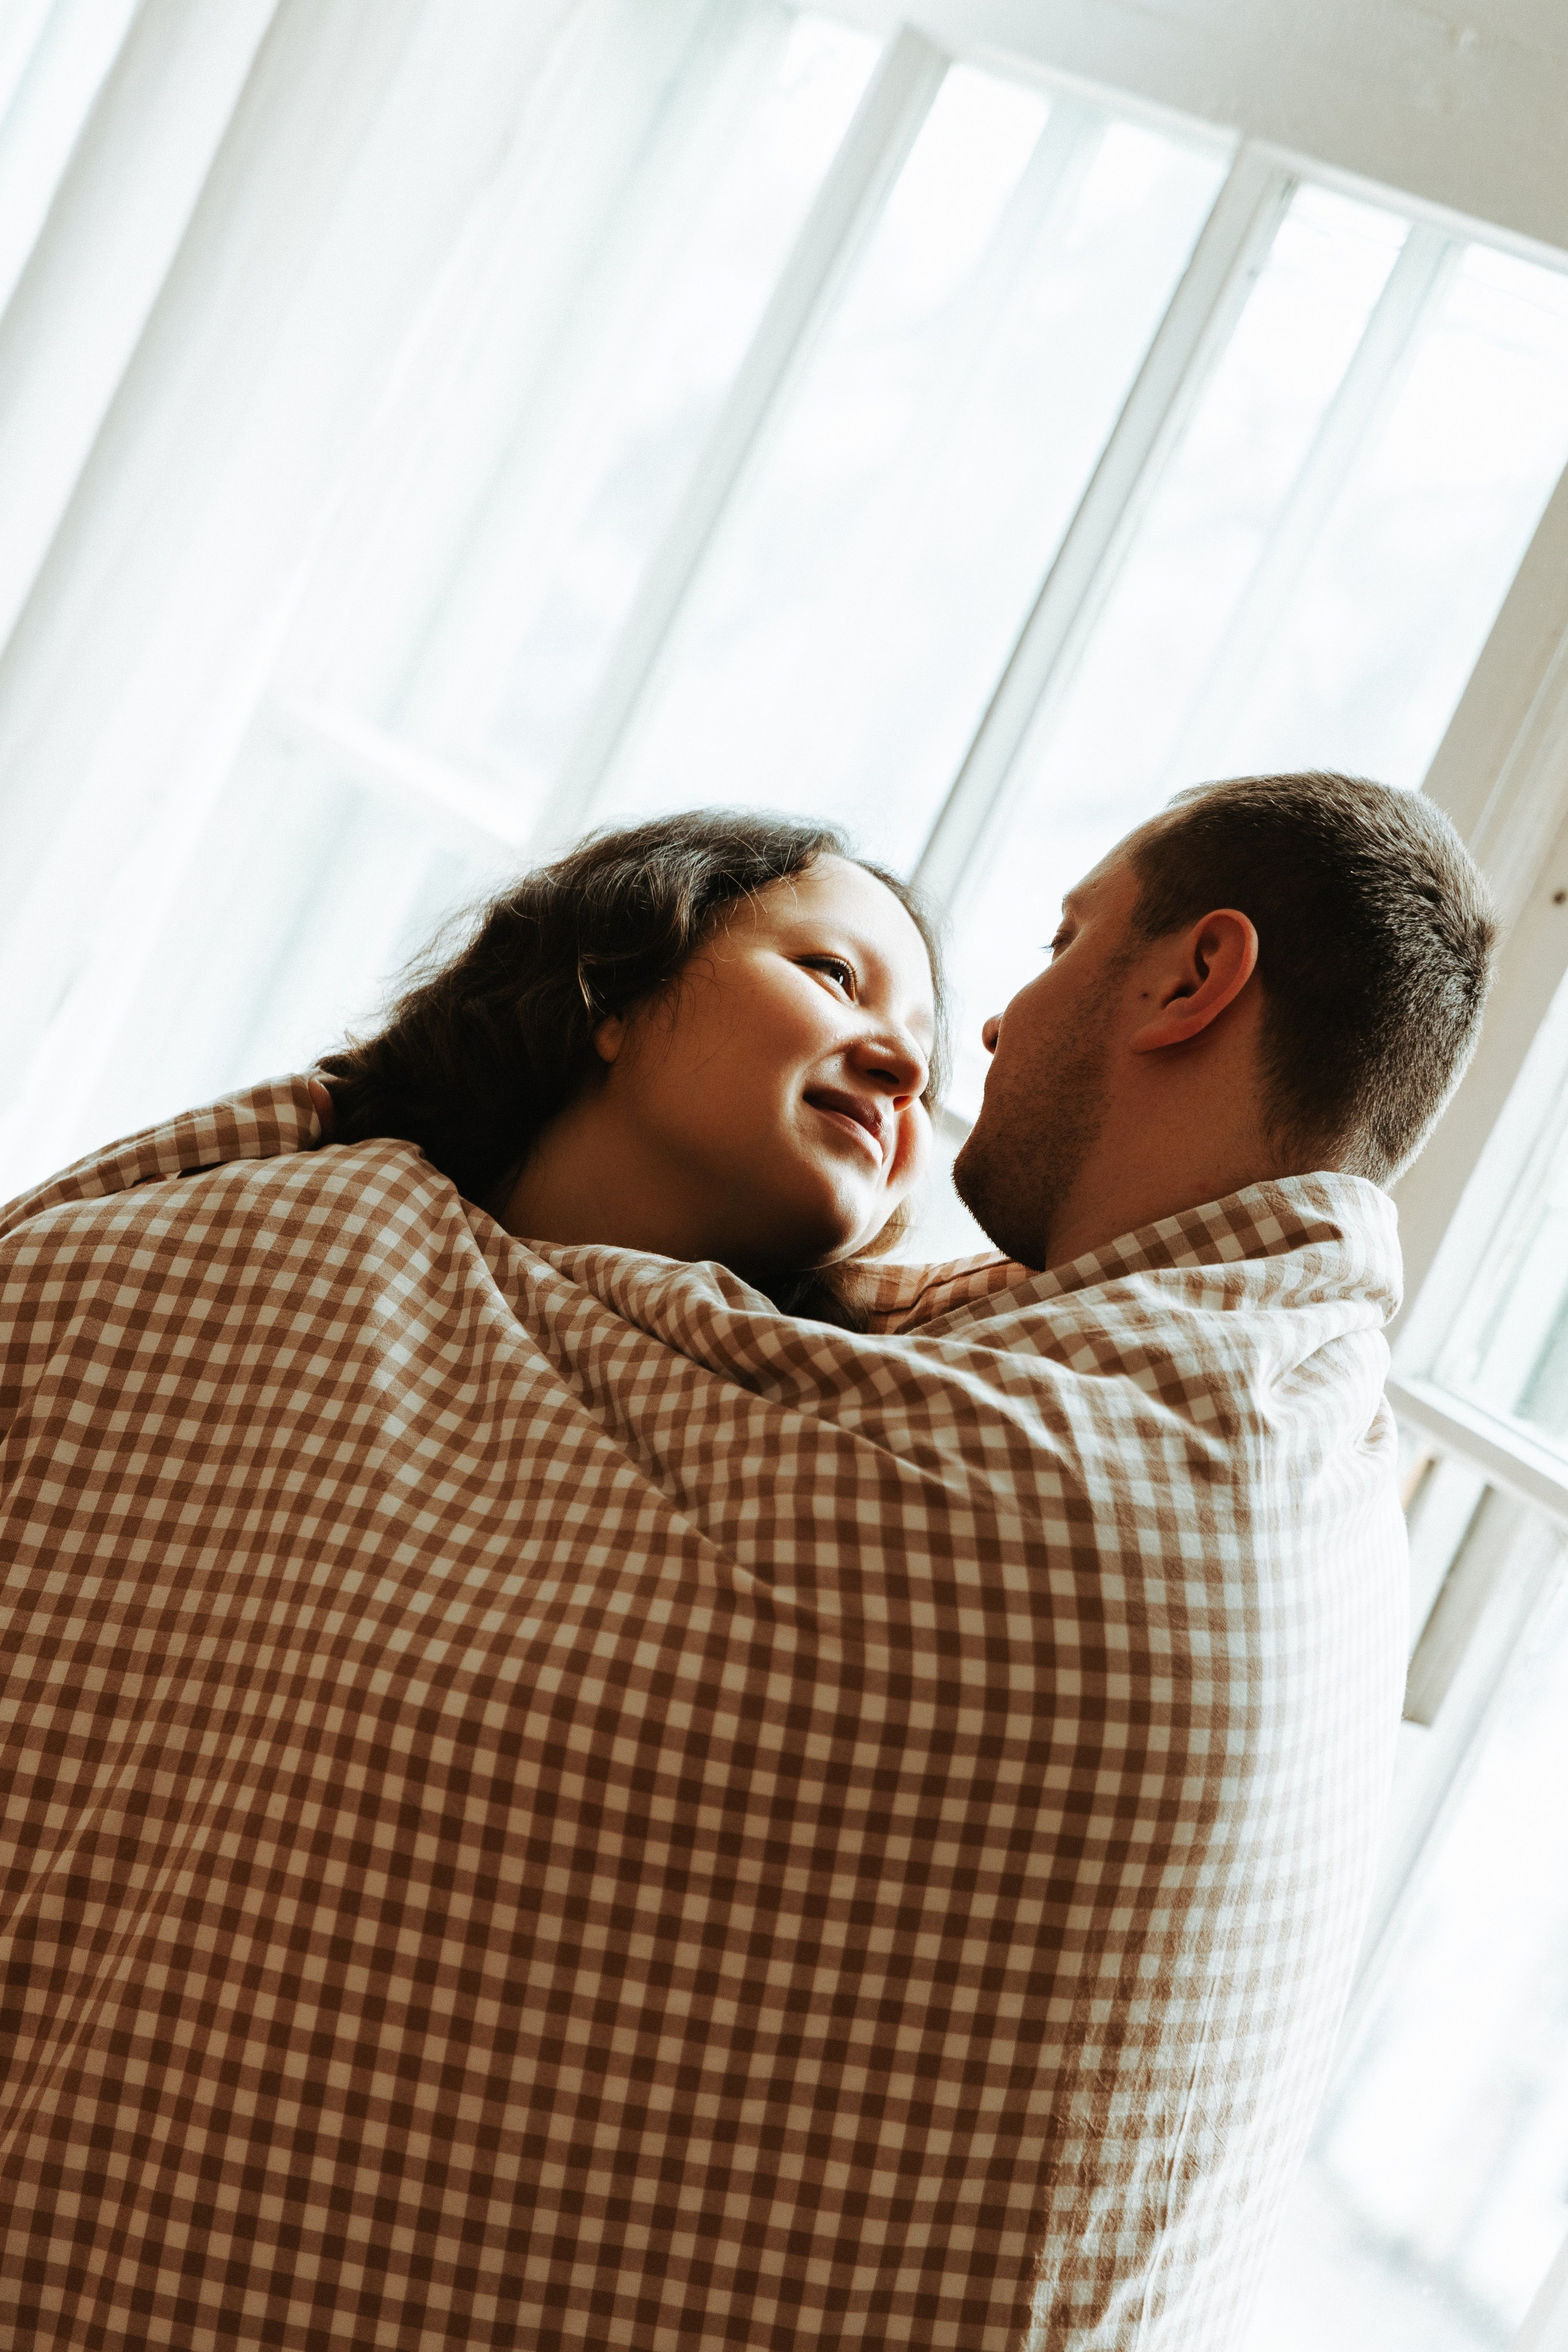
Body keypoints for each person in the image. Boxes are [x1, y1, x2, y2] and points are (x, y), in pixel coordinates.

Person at [0, 775, 1493, 2352]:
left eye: (1060, 942)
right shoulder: (329, 1266)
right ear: (610, 996)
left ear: (1192, 981)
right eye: (832, 975)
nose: (945, 1048)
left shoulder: (1091, 1447)